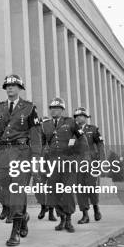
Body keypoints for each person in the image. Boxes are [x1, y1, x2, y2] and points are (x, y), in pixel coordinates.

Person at [0, 74, 41, 246]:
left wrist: (37, 158)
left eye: (13, 86)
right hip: (2, 154)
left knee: (17, 191)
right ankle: (22, 215)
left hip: (22, 153)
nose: (10, 88)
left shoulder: (29, 108)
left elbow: (36, 135)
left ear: (20, 89)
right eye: (7, 86)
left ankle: (15, 230)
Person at [41, 98, 83, 233]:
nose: (54, 110)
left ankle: (69, 220)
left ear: (62, 110)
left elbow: (80, 138)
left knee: (68, 191)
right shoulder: (45, 125)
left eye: (57, 108)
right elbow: (42, 144)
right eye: (52, 108)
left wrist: (74, 151)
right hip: (53, 163)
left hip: (68, 162)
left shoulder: (70, 122)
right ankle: (62, 218)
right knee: (54, 192)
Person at [73, 107, 105, 223]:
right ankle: (85, 214)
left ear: (86, 118)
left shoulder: (93, 129)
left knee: (91, 186)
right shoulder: (72, 131)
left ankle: (96, 208)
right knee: (80, 189)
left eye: (81, 116)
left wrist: (102, 161)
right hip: (78, 164)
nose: (78, 118)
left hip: (92, 163)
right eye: (76, 116)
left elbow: (100, 145)